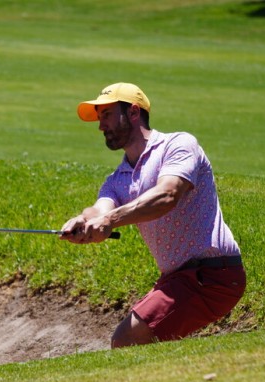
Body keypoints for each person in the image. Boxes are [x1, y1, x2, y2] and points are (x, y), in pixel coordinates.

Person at [60, 82, 246, 348]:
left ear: (134, 112)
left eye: (108, 115)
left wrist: (110, 220)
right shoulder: (117, 179)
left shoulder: (178, 145)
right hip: (180, 280)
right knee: (143, 343)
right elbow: (101, 209)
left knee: (127, 339)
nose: (101, 126)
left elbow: (167, 195)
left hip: (213, 275)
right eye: (99, 118)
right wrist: (85, 221)